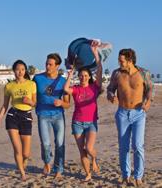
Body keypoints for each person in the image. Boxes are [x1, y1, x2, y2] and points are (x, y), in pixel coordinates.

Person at [107, 48, 152, 186]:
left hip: (139, 114)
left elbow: (150, 89)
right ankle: (126, 175)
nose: (119, 63)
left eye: (121, 60)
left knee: (138, 146)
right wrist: (110, 96)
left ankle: (138, 176)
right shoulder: (116, 74)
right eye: (119, 60)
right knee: (124, 147)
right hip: (122, 113)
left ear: (130, 60)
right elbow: (110, 89)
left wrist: (148, 101)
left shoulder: (143, 73)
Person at [64, 40, 102, 181]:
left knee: (89, 148)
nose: (83, 77)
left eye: (86, 75)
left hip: (91, 122)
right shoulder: (76, 88)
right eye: (81, 76)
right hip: (77, 123)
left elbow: (99, 70)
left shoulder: (94, 87)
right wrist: (72, 71)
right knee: (82, 151)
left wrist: (95, 54)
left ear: (89, 77)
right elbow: (65, 89)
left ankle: (94, 159)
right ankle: (88, 173)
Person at [0, 60, 36, 181]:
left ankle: (24, 162)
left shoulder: (31, 84)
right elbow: (5, 105)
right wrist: (0, 116)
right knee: (17, 148)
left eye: (23, 69)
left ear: (25, 71)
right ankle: (22, 173)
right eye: (18, 70)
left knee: (26, 153)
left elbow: (35, 103)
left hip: (26, 117)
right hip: (13, 116)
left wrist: (29, 102)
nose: (20, 72)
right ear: (14, 71)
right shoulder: (9, 86)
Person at [33, 53, 70, 179]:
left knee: (60, 143)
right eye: (46, 64)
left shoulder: (62, 81)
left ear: (57, 66)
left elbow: (67, 104)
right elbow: (31, 95)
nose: (47, 66)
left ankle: (59, 168)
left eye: (50, 64)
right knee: (45, 143)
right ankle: (47, 162)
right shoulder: (37, 78)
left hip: (58, 116)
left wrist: (61, 103)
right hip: (42, 115)